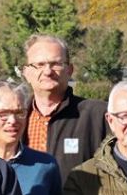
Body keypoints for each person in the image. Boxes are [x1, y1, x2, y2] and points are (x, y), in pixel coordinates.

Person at [16, 34, 110, 174]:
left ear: (70, 70)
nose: (47, 71)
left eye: (56, 64)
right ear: (26, 72)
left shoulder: (99, 115)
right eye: (39, 65)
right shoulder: (12, 120)